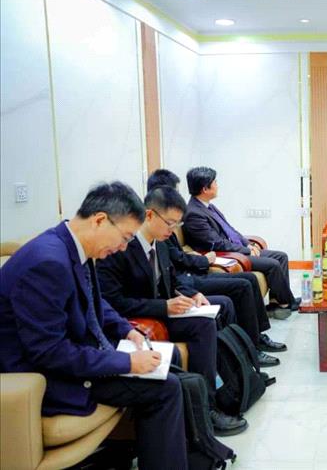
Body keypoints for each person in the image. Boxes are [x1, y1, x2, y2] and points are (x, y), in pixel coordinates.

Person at [0, 182, 187, 469]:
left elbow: (94, 302)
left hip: (74, 352)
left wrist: (125, 329)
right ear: (100, 220)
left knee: (169, 363)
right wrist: (126, 362)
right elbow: (48, 352)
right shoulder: (47, 263)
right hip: (45, 376)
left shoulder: (71, 247)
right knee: (166, 388)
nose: (123, 247)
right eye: (125, 238)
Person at [97, 186, 248, 436]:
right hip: (140, 317)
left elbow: (173, 279)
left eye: (177, 224)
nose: (173, 230)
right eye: (170, 223)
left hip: (163, 310)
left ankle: (216, 397)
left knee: (206, 321)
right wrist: (163, 306)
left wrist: (191, 294)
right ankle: (206, 410)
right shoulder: (120, 248)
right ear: (149, 215)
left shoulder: (161, 243)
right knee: (205, 323)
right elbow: (113, 301)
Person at [147, 169, 286, 362]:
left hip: (188, 275)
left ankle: (255, 339)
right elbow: (178, 260)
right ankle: (250, 347)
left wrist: (245, 244)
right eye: (175, 192)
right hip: (187, 277)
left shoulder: (168, 225)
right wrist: (204, 261)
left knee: (249, 280)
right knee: (243, 285)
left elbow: (177, 257)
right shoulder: (165, 227)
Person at [182, 166, 298, 317]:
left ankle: (277, 302)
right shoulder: (194, 213)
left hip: (235, 249)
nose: (217, 185)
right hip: (224, 254)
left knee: (281, 256)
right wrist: (246, 250)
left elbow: (230, 229)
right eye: (215, 182)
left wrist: (247, 243)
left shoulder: (208, 206)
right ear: (205, 189)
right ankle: (286, 303)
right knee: (273, 264)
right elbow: (216, 243)